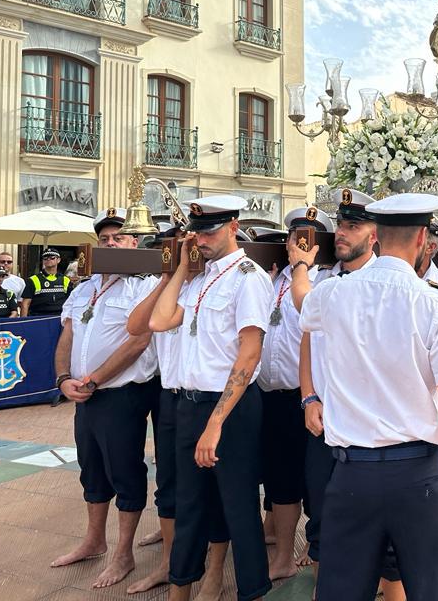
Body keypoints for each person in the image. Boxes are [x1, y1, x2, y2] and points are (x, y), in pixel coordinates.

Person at [299, 192, 438, 600]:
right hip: (420, 476)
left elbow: (304, 304)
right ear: (423, 238)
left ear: (377, 237)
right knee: (433, 591)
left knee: (340, 592)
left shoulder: (333, 294)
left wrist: (300, 266)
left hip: (351, 473)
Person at [148, 195, 274, 601]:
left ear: (233, 227)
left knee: (239, 507)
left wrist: (216, 423)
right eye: (197, 231)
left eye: (210, 230)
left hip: (229, 409)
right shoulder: (199, 279)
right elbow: (159, 320)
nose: (201, 238)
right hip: (188, 403)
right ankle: (180, 590)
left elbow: (249, 352)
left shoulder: (249, 277)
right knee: (189, 506)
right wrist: (183, 266)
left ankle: (251, 590)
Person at [294, 189, 404, 600]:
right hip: (326, 419)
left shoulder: (388, 285)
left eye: (353, 226)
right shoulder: (324, 281)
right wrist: (308, 396)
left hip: (374, 426)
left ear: (374, 236)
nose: (341, 234)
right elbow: (308, 337)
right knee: (322, 512)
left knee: (386, 532)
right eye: (340, 225)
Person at [50, 208, 157, 589]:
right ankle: (94, 541)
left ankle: (123, 553)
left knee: (125, 471)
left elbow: (139, 340)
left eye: (119, 238)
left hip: (122, 394)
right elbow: (67, 335)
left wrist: (94, 379)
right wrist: (64, 378)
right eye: (105, 239)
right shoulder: (83, 288)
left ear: (134, 243)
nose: (111, 244)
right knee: (91, 469)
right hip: (83, 395)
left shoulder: (145, 287)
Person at [123, 224, 230, 598]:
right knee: (170, 487)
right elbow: (137, 326)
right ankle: (173, 565)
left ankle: (215, 570)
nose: (194, 250)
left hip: (206, 396)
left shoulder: (213, 284)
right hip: (170, 396)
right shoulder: (173, 284)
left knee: (213, 491)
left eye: (196, 244)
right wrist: (168, 276)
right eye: (184, 247)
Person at [259, 206, 332, 582]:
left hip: (310, 396)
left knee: (317, 481)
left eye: (309, 237)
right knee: (280, 478)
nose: (299, 243)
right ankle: (284, 553)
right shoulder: (274, 278)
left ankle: (316, 549)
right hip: (271, 393)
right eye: (294, 236)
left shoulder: (328, 280)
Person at [21, 248, 73, 317]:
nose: (48, 259)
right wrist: (23, 324)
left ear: (58, 260)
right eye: (45, 258)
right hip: (38, 318)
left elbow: (71, 302)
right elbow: (25, 304)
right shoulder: (33, 280)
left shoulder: (66, 280)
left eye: (52, 258)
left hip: (59, 318)